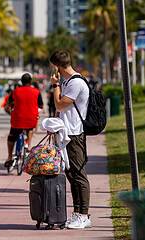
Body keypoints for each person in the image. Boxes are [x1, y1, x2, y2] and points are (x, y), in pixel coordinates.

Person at [49, 50, 91, 229]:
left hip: (74, 134)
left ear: (57, 67)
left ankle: (83, 215)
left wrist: (54, 85)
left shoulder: (75, 83)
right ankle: (77, 213)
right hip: (67, 133)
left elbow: (59, 104)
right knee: (71, 174)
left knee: (79, 174)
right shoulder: (69, 81)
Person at [4, 73, 43, 168]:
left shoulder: (15, 91)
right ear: (30, 82)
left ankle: (9, 157)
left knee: (11, 136)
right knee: (30, 128)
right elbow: (41, 106)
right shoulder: (37, 92)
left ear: (21, 82)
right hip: (31, 119)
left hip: (17, 120)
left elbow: (8, 105)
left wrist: (11, 113)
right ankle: (28, 146)